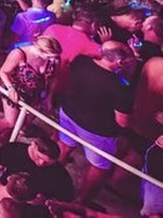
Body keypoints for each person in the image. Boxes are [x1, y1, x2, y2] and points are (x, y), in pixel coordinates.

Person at [58, 42, 136, 203]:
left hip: (68, 113)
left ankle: (50, 177)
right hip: (97, 131)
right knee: (100, 167)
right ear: (119, 62)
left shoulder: (81, 61)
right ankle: (82, 202)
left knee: (64, 146)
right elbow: (123, 122)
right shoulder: (121, 87)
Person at [0, 136, 74, 202]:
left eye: (47, 162)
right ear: (33, 145)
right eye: (39, 157)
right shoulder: (12, 150)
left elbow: (65, 200)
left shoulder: (60, 173)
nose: (41, 163)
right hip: (3, 192)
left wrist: (45, 202)